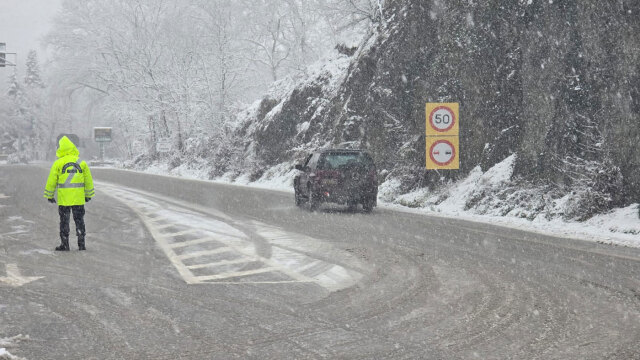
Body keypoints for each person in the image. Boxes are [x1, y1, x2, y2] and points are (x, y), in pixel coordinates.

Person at [43, 136, 95, 251]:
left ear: (61, 148)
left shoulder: (58, 163)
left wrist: (49, 195)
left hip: (64, 199)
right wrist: (88, 195)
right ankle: (81, 244)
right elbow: (88, 180)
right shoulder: (81, 163)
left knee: (64, 222)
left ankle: (65, 244)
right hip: (78, 199)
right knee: (79, 220)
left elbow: (52, 180)